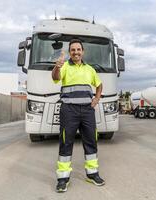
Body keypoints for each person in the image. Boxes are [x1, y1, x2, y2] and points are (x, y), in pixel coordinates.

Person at [52, 39, 105, 193]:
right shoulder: (64, 67)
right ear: (70, 52)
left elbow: (99, 84)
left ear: (83, 51)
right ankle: (63, 178)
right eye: (73, 50)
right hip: (69, 110)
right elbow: (55, 78)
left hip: (87, 111)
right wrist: (57, 67)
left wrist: (96, 98)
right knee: (66, 142)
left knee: (91, 141)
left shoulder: (90, 69)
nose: (76, 52)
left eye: (78, 49)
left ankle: (92, 174)